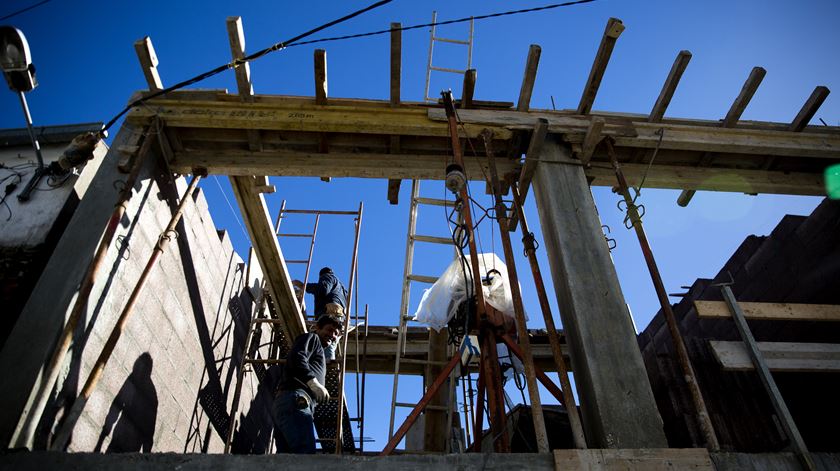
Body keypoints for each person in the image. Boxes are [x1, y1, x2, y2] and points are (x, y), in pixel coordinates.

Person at [273, 314, 342, 454]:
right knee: (305, 456)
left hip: (290, 401)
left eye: (336, 334)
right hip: (296, 398)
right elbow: (298, 356)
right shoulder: (312, 338)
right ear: (317, 327)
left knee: (286, 460)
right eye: (329, 330)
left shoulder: (319, 349)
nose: (332, 335)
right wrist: (313, 383)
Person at [293, 267, 347, 360]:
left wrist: (304, 286)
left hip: (330, 312)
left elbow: (323, 289)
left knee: (326, 335)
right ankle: (326, 361)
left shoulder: (328, 277)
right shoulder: (342, 288)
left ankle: (325, 361)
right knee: (330, 340)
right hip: (339, 315)